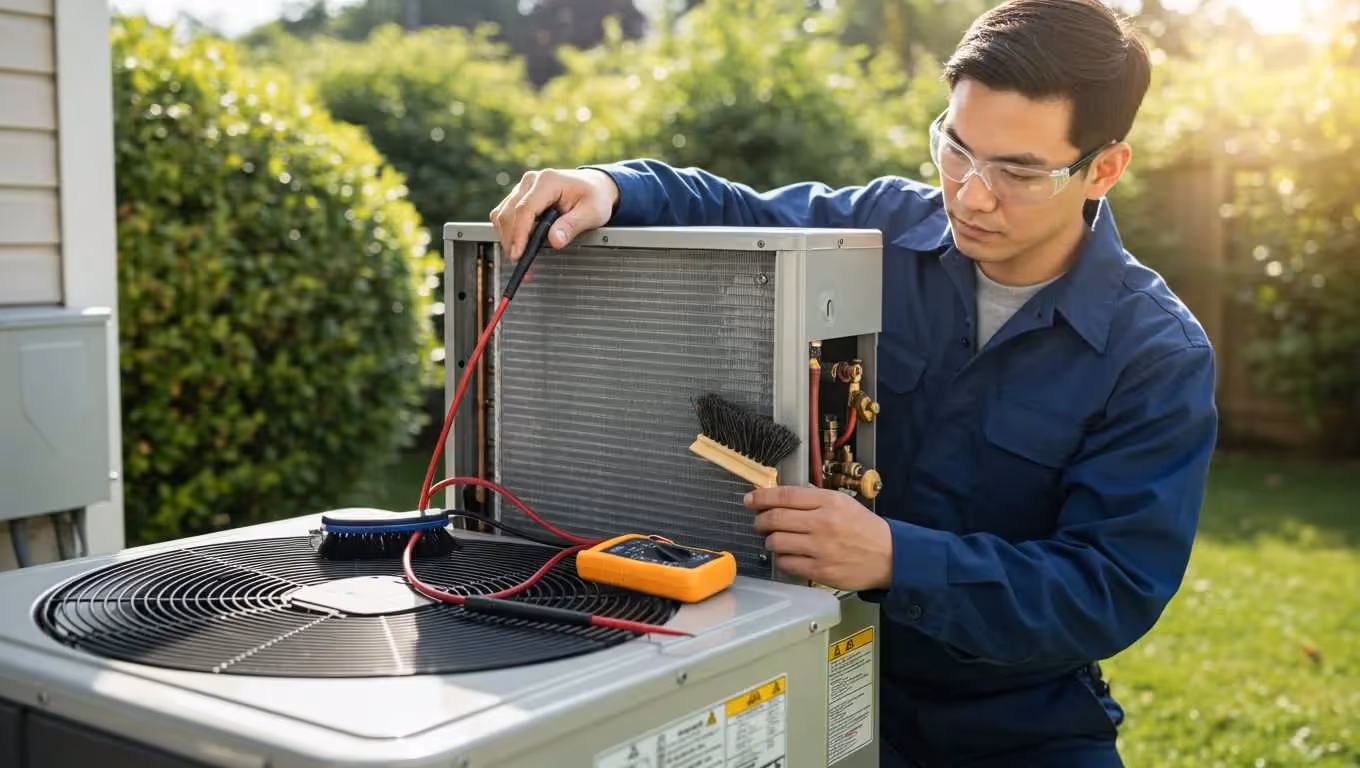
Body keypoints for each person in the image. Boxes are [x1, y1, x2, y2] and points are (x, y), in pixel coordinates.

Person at [490, 0, 1217, 764]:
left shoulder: (1156, 353)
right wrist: (611, 186)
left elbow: (1107, 587)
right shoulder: (877, 232)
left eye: (1018, 172)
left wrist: (898, 558)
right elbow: (741, 213)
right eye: (957, 149)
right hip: (813, 669)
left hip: (1017, 723)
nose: (971, 194)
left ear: (1103, 168)